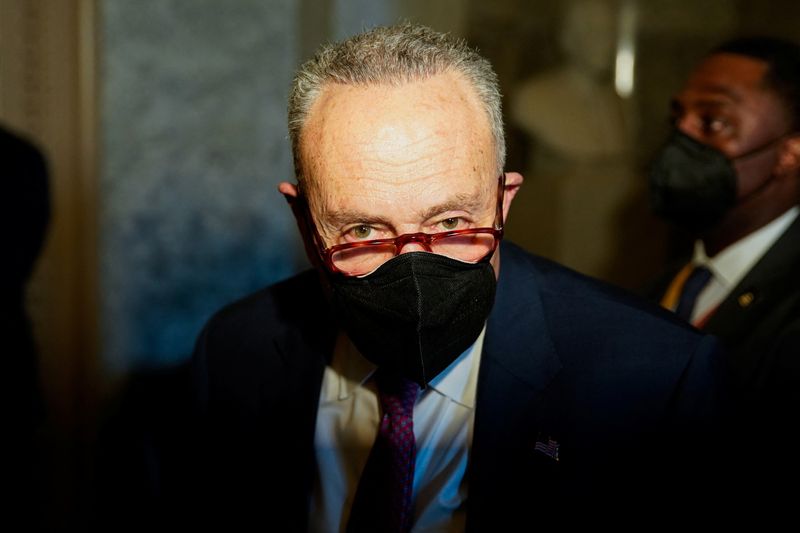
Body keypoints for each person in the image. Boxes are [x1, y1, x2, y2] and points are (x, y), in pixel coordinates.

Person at [187, 24, 727, 530]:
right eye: (362, 231)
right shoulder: (236, 351)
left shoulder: (656, 381)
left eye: (450, 222)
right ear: (306, 223)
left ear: (503, 202)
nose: (413, 271)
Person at [648, 36, 800, 424]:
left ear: (790, 152)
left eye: (712, 122)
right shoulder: (670, 280)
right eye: (677, 118)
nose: (681, 138)